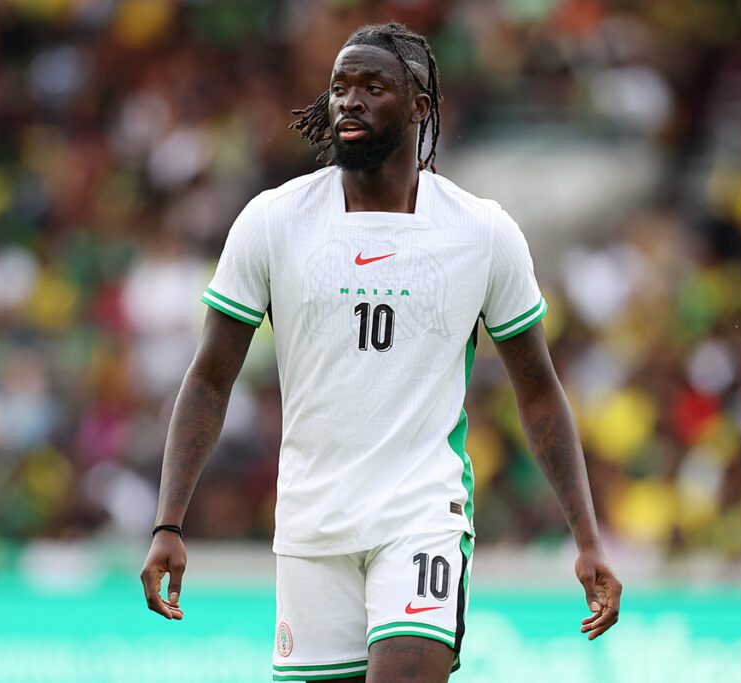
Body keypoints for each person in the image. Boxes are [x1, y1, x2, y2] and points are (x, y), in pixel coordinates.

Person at [140, 22, 622, 683]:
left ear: (419, 105)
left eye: (373, 86)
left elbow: (538, 389)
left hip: (421, 516)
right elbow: (209, 379)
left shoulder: (481, 232)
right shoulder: (272, 222)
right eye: (340, 86)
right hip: (313, 527)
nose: (350, 101)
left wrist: (587, 536)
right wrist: (168, 520)